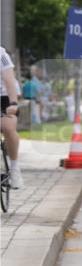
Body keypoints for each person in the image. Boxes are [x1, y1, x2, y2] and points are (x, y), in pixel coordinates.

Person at [0, 46, 23, 189]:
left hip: (3, 96)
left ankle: (14, 168)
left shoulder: (1, 54)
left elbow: (9, 80)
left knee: (7, 127)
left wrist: (13, 103)